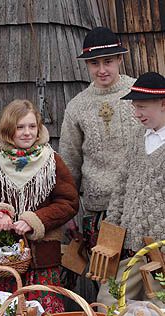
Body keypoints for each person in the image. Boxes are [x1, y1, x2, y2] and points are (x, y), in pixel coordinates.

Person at [0, 99, 79, 312]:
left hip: (43, 258)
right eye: (20, 127)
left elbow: (69, 202)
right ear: (9, 130)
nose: (27, 132)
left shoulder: (52, 161)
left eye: (32, 126)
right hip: (4, 260)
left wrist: (33, 221)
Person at [59, 26, 137, 248]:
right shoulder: (77, 106)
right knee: (105, 278)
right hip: (98, 209)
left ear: (120, 59)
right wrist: (68, 211)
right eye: (94, 63)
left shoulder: (138, 94)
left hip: (138, 202)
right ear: (86, 64)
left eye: (108, 61)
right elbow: (69, 163)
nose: (102, 69)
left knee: (141, 275)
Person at [98, 72, 165, 305]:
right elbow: (121, 187)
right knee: (108, 303)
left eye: (143, 107)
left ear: (163, 104)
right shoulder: (138, 138)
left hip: (162, 255)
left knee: (158, 315)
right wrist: (110, 232)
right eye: (135, 107)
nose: (137, 113)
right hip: (130, 250)